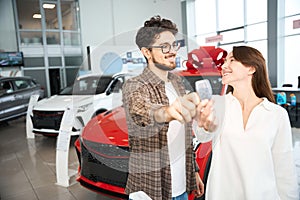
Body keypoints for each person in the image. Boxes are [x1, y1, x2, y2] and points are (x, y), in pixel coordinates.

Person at [194, 46, 299, 200]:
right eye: (224, 62)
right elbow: (202, 136)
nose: (223, 66)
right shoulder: (217, 104)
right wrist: (204, 125)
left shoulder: (276, 114)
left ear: (251, 68)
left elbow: (284, 170)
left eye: (232, 60)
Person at [122, 15, 204, 200]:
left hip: (181, 185)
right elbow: (141, 110)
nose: (172, 51)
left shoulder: (177, 83)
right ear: (147, 52)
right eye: (164, 46)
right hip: (150, 189)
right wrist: (167, 112)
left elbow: (185, 137)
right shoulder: (134, 85)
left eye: (174, 45)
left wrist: (195, 172)